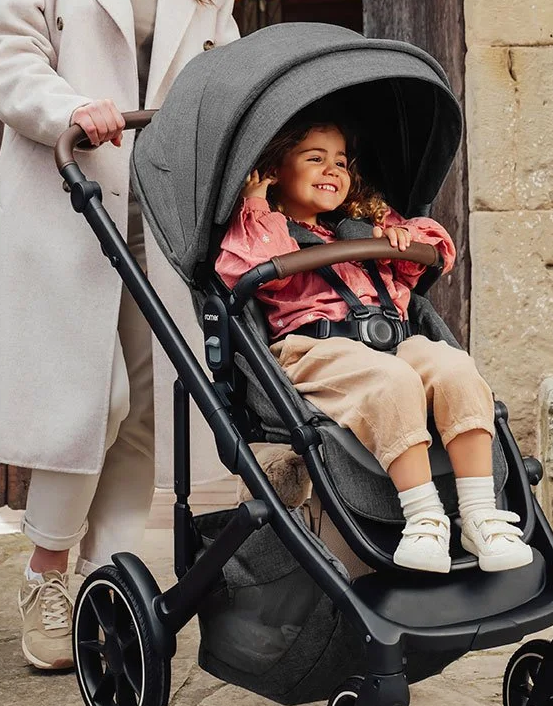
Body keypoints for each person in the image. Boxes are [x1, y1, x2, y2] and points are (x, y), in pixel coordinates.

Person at [0, 0, 239, 669]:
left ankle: (113, 586)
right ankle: (48, 578)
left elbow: (222, 78)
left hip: (163, 211)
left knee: (152, 404)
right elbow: (5, 51)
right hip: (71, 204)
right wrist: (70, 107)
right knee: (93, 396)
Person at [216, 116, 533, 575]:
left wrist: (398, 241)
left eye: (341, 162)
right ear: (275, 170)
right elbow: (241, 268)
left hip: (393, 340)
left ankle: (480, 513)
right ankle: (424, 518)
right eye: (315, 158)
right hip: (316, 350)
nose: (333, 170)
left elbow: (435, 254)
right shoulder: (269, 228)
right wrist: (255, 200)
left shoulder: (361, 229)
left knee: (454, 367)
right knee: (392, 379)